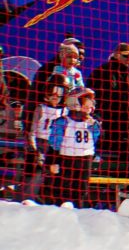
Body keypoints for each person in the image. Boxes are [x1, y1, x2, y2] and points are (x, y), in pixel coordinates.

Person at [46, 88, 101, 208]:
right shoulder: (63, 121)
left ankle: (79, 208)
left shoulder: (92, 123)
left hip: (85, 158)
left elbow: (97, 138)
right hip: (67, 158)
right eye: (86, 105)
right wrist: (53, 161)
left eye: (91, 105)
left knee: (81, 188)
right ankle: (61, 207)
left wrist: (94, 126)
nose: (89, 108)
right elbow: (54, 142)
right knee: (64, 186)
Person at [24, 72, 71, 202]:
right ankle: (28, 197)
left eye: (60, 92)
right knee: (36, 172)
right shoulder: (41, 108)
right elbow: (32, 131)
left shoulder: (64, 112)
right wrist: (35, 150)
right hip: (40, 144)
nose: (55, 96)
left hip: (55, 147)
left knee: (54, 173)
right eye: (52, 92)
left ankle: (48, 198)